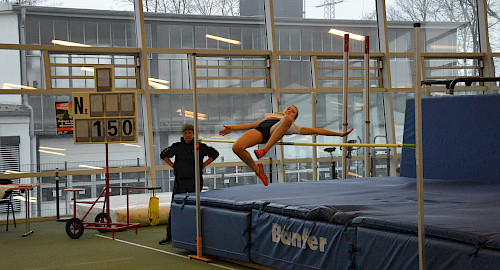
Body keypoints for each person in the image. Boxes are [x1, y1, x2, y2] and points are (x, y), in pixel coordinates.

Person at [219, 105, 353, 186]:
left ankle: (265, 150)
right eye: (288, 108)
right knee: (236, 148)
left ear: (295, 118)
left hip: (272, 133)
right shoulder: (271, 116)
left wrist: (339, 134)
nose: (289, 111)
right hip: (260, 131)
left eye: (293, 111)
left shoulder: (294, 126)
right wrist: (233, 128)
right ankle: (258, 169)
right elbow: (251, 125)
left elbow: (317, 130)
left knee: (286, 120)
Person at [159, 123, 219, 245]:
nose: (188, 135)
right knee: (175, 206)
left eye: (190, 133)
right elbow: (163, 155)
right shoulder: (177, 146)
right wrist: (174, 166)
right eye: (185, 133)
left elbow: (215, 154)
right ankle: (170, 235)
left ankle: (195, 235)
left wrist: (204, 165)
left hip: (195, 181)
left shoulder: (199, 146)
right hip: (180, 181)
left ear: (193, 134)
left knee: (194, 207)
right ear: (182, 134)